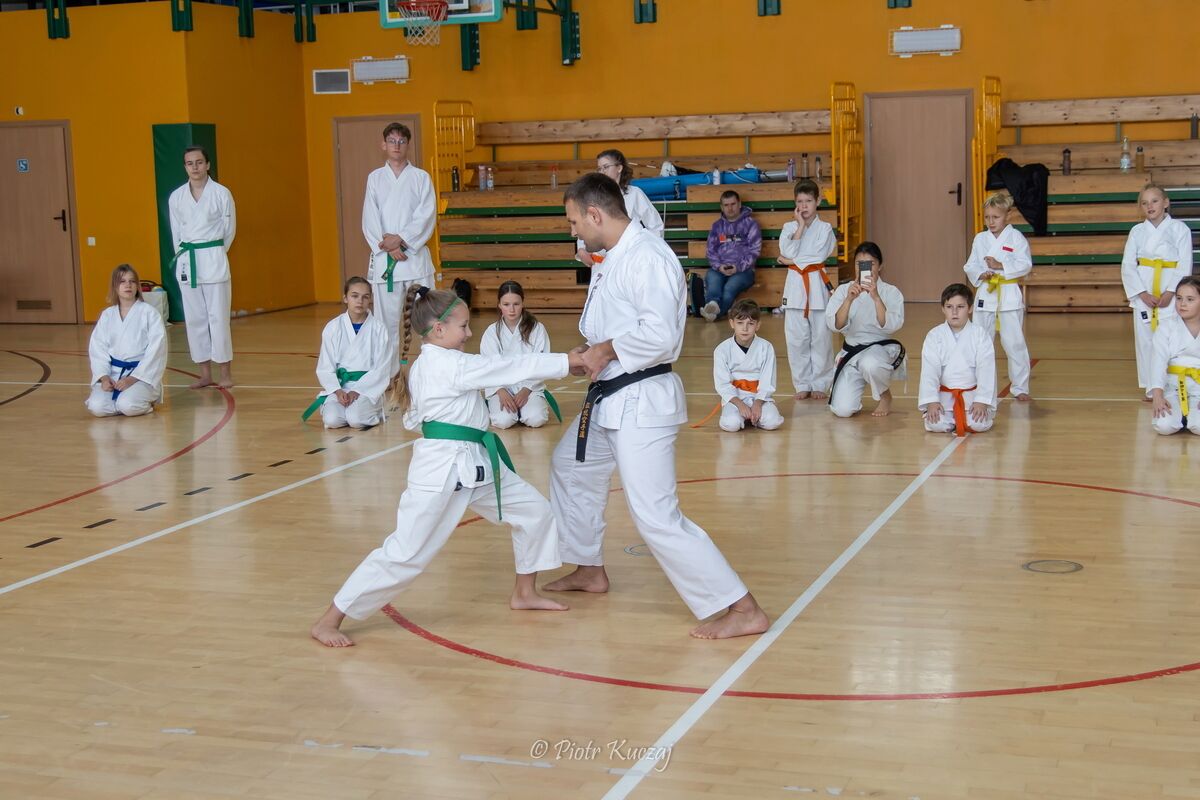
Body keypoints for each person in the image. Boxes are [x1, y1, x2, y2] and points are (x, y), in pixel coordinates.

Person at [546, 173, 770, 640]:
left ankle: (742, 607)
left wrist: (605, 350)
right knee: (571, 466)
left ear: (594, 214)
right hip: (610, 396)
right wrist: (590, 354)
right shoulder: (613, 257)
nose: (572, 231)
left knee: (655, 515)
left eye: (573, 222)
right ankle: (588, 567)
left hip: (641, 400)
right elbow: (610, 326)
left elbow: (661, 335)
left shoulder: (647, 256)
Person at [310, 284, 587, 647]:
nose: (469, 333)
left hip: (475, 464)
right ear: (438, 329)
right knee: (405, 553)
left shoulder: (431, 363)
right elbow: (508, 366)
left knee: (534, 512)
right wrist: (566, 361)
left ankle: (524, 593)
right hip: (442, 472)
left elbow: (415, 419)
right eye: (463, 326)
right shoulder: (448, 364)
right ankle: (329, 620)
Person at [362, 122, 437, 375]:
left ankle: (431, 375)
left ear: (408, 145)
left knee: (427, 321)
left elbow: (426, 215)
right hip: (387, 264)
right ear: (383, 145)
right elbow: (370, 218)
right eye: (392, 141)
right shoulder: (375, 178)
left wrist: (402, 239)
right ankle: (390, 378)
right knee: (386, 326)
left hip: (414, 261)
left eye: (401, 141)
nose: (397, 145)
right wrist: (389, 246)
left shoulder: (421, 178)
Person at [168, 145, 236, 389]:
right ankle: (204, 373)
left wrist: (214, 252)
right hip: (188, 260)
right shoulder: (176, 197)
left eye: (199, 162)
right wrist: (185, 258)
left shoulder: (221, 193)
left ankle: (225, 372)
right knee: (195, 319)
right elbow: (176, 233)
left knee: (218, 318)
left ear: (207, 165)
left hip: (214, 257)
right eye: (190, 163)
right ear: (185, 167)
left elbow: (229, 231)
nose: (195, 167)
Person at [1121, 183, 1193, 392]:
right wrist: (1141, 293)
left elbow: (1184, 263)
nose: (1149, 206)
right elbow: (1127, 265)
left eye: (1154, 201)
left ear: (1166, 203)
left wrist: (1171, 292)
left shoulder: (1180, 229)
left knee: (1172, 338)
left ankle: (1173, 385)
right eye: (1144, 203)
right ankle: (1151, 387)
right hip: (1144, 290)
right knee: (1145, 341)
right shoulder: (1137, 231)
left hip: (1170, 291)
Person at [963, 191, 1033, 401]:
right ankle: (980, 386)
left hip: (1008, 295)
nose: (991, 222)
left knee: (1015, 344)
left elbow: (1025, 265)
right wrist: (981, 273)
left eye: (996, 217)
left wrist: (1001, 265)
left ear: (1007, 216)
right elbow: (970, 265)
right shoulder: (980, 239)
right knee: (981, 343)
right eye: (987, 217)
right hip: (986, 294)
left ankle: (1020, 387)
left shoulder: (1016, 237)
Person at [825, 241, 905, 418]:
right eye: (859, 264)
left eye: (870, 264)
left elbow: (891, 324)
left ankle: (884, 395)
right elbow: (835, 325)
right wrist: (848, 300)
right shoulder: (843, 290)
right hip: (852, 352)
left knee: (870, 364)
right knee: (842, 410)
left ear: (880, 266)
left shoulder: (891, 292)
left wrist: (876, 298)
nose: (865, 269)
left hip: (879, 350)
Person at [303, 277, 391, 430]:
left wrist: (357, 391)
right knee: (331, 420)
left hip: (367, 389)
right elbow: (325, 366)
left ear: (370, 300)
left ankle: (371, 409)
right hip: (340, 386)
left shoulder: (379, 329)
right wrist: (337, 391)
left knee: (355, 419)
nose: (360, 301)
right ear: (345, 298)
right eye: (354, 296)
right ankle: (342, 409)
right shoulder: (333, 327)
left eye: (365, 297)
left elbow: (381, 368)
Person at [777, 179, 837, 399]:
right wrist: (800, 227)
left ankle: (821, 383)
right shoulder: (789, 227)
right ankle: (802, 384)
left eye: (808, 201)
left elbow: (817, 256)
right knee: (796, 340)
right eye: (800, 201)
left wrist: (789, 260)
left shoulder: (825, 228)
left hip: (817, 288)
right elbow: (787, 250)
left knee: (821, 339)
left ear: (817, 201)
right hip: (795, 289)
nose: (804, 206)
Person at [85, 264, 167, 418]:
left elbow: (157, 350)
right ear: (115, 287)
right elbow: (98, 349)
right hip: (113, 374)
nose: (128, 285)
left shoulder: (149, 313)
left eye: (132, 281)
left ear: (137, 286)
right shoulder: (107, 315)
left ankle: (144, 403)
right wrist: (104, 377)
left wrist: (132, 379)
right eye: (122, 281)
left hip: (141, 376)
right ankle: (119, 403)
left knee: (128, 406)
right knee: (97, 408)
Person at [479, 280, 560, 429]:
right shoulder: (492, 332)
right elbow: (488, 366)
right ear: (499, 305)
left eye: (516, 304)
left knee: (535, 419)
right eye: (506, 304)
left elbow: (541, 363)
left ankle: (528, 408)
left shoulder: (536, 329)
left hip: (529, 387)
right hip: (501, 387)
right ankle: (507, 409)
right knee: (503, 421)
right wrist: (501, 391)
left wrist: (526, 390)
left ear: (522, 303)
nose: (511, 309)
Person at [918, 283, 997, 436]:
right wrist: (932, 401)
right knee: (936, 424)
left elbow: (986, 370)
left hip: (972, 397)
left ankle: (964, 417)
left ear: (970, 308)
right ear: (943, 308)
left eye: (960, 307)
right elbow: (929, 372)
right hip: (943, 398)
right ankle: (951, 419)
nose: (954, 312)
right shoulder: (934, 336)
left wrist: (981, 400)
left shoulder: (980, 335)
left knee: (978, 424)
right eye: (949, 307)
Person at [576, 149, 664, 266]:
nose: (602, 172)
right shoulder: (593, 197)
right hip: (601, 262)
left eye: (606, 167)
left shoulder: (634, 194)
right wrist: (581, 249)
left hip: (630, 260)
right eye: (599, 169)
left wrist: (651, 249)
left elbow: (655, 225)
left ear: (619, 168)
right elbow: (585, 225)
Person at [712, 299, 784, 432]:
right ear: (732, 323)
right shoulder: (722, 350)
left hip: (759, 396)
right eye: (740, 323)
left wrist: (758, 403)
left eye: (750, 323)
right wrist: (740, 405)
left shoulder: (766, 347)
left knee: (773, 422)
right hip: (735, 397)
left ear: (758, 325)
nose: (745, 328)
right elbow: (722, 384)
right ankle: (744, 416)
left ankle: (753, 417)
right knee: (731, 424)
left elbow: (767, 381)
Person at [1148, 275, 1200, 436]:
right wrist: (1157, 396)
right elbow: (1158, 361)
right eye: (1179, 298)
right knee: (1164, 426)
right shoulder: (1166, 326)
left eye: (1190, 299)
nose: (1182, 304)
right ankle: (1182, 416)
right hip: (1173, 386)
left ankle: (1189, 417)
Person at [700, 190, 761, 322]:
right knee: (713, 280)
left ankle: (715, 314)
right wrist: (719, 266)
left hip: (744, 271)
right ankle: (713, 304)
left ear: (739, 204)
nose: (730, 208)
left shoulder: (751, 224)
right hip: (720, 268)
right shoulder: (717, 226)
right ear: (722, 207)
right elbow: (710, 251)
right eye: (726, 205)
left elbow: (754, 251)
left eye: (733, 204)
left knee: (729, 288)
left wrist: (737, 267)